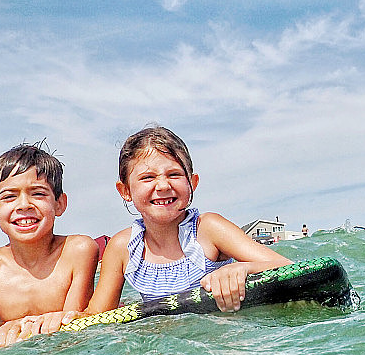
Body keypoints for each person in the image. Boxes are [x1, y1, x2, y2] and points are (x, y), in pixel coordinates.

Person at [47, 126, 291, 326]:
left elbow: (287, 267)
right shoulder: (123, 247)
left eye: (174, 174)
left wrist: (241, 270)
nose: (163, 185)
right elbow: (97, 317)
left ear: (192, 182)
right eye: (147, 177)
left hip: (222, 342)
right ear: (126, 191)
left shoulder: (208, 229)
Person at [0, 144, 99, 355]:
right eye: (9, 197)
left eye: (38, 194)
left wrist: (21, 325)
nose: (23, 205)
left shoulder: (78, 250)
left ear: (60, 203)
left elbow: (72, 327)